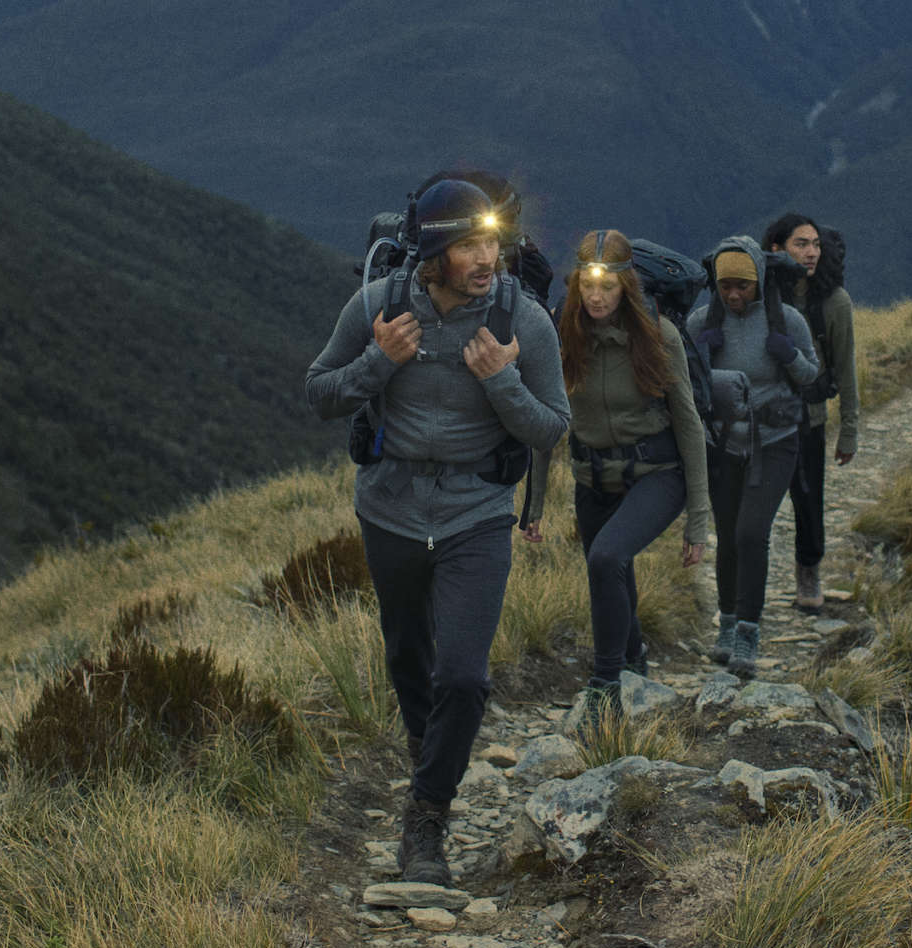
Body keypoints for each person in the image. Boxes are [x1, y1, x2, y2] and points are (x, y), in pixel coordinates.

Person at [305, 177, 570, 887]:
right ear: (432, 253)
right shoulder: (379, 307)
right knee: (407, 658)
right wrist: (379, 360)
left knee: (462, 673)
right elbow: (319, 392)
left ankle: (426, 819)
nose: (487, 257)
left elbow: (552, 427)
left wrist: (501, 382)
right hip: (389, 505)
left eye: (493, 242)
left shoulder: (524, 321)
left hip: (476, 512)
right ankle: (432, 752)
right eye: (469, 245)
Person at [523, 230, 712, 730]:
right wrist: (534, 506)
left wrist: (698, 521)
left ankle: (605, 685)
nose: (597, 296)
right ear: (577, 284)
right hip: (592, 475)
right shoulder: (564, 337)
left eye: (607, 287)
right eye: (588, 285)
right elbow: (548, 422)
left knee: (606, 557)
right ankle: (634, 661)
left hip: (658, 472)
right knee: (609, 567)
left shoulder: (658, 335)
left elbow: (690, 425)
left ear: (626, 286)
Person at [687, 238, 818, 677]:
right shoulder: (703, 321)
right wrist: (699, 356)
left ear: (759, 280)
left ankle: (747, 631)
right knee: (726, 535)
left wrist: (791, 355)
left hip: (776, 440)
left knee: (750, 532)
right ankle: (725, 626)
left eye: (742, 286)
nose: (734, 295)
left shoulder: (788, 321)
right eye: (726, 286)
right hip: (724, 443)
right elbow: (682, 384)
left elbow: (811, 375)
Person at [763, 212, 860, 614]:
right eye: (801, 244)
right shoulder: (763, 295)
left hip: (809, 418)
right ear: (777, 249)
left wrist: (849, 429)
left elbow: (845, 366)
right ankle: (744, 580)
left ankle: (808, 571)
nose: (811, 252)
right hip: (763, 417)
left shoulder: (833, 301)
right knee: (755, 502)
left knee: (808, 499)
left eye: (816, 244)